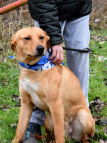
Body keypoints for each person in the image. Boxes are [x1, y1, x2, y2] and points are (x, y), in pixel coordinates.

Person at [23, 0, 92, 142]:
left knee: (79, 56)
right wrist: (54, 40)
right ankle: (35, 121)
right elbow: (43, 3)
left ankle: (80, 113)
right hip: (46, 9)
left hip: (78, 7)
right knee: (40, 63)